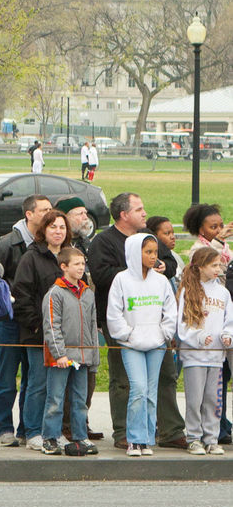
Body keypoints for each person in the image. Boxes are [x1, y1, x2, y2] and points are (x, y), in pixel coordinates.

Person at [89, 193, 185, 450]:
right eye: (139, 209)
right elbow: (101, 274)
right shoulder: (104, 242)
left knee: (166, 375)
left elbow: (171, 265)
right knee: (124, 379)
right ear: (123, 214)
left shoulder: (148, 238)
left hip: (155, 328)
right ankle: (124, 431)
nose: (145, 214)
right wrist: (135, 269)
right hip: (124, 325)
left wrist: (161, 266)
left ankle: (170, 430)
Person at [106, 234, 177, 457]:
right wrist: (127, 335)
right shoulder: (121, 280)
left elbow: (170, 311)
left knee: (150, 392)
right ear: (135, 253)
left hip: (156, 344)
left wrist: (163, 334)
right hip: (132, 345)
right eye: (148, 252)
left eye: (155, 252)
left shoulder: (161, 281)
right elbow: (114, 312)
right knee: (138, 389)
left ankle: (146, 438)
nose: (153, 256)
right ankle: (134, 439)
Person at [0, 194, 51, 446]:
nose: (50, 213)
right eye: (44, 210)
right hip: (9, 319)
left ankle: (27, 428)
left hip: (32, 321)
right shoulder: (7, 244)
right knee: (7, 375)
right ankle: (3, 428)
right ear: (29, 214)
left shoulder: (46, 244)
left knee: (32, 376)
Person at [12, 209, 69, 451]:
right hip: (37, 333)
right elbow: (21, 294)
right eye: (53, 227)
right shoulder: (32, 257)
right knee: (37, 383)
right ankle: (32, 430)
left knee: (58, 386)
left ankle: (53, 431)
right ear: (43, 230)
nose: (58, 231)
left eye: (62, 227)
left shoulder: (71, 255)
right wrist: (37, 324)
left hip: (65, 336)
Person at [41, 247, 99, 456]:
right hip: (62, 358)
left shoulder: (88, 293)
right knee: (55, 399)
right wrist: (60, 354)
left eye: (83, 264)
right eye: (76, 264)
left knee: (79, 399)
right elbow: (52, 326)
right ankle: (50, 437)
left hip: (82, 356)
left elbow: (93, 325)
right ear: (63, 267)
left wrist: (93, 355)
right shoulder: (55, 293)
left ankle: (80, 436)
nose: (81, 268)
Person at [175, 248, 233, 455]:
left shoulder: (223, 293)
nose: (218, 269)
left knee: (213, 399)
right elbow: (182, 325)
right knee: (195, 399)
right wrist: (198, 337)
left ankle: (211, 438)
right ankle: (194, 438)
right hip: (194, 356)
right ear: (200, 267)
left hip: (217, 357)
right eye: (214, 265)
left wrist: (228, 336)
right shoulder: (187, 291)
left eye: (220, 265)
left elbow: (229, 321)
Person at [56, 196, 101, 441]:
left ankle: (80, 421)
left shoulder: (88, 244)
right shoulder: (63, 252)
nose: (85, 218)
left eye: (86, 213)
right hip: (67, 330)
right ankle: (65, 425)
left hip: (88, 320)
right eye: (79, 213)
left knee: (89, 379)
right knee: (64, 386)